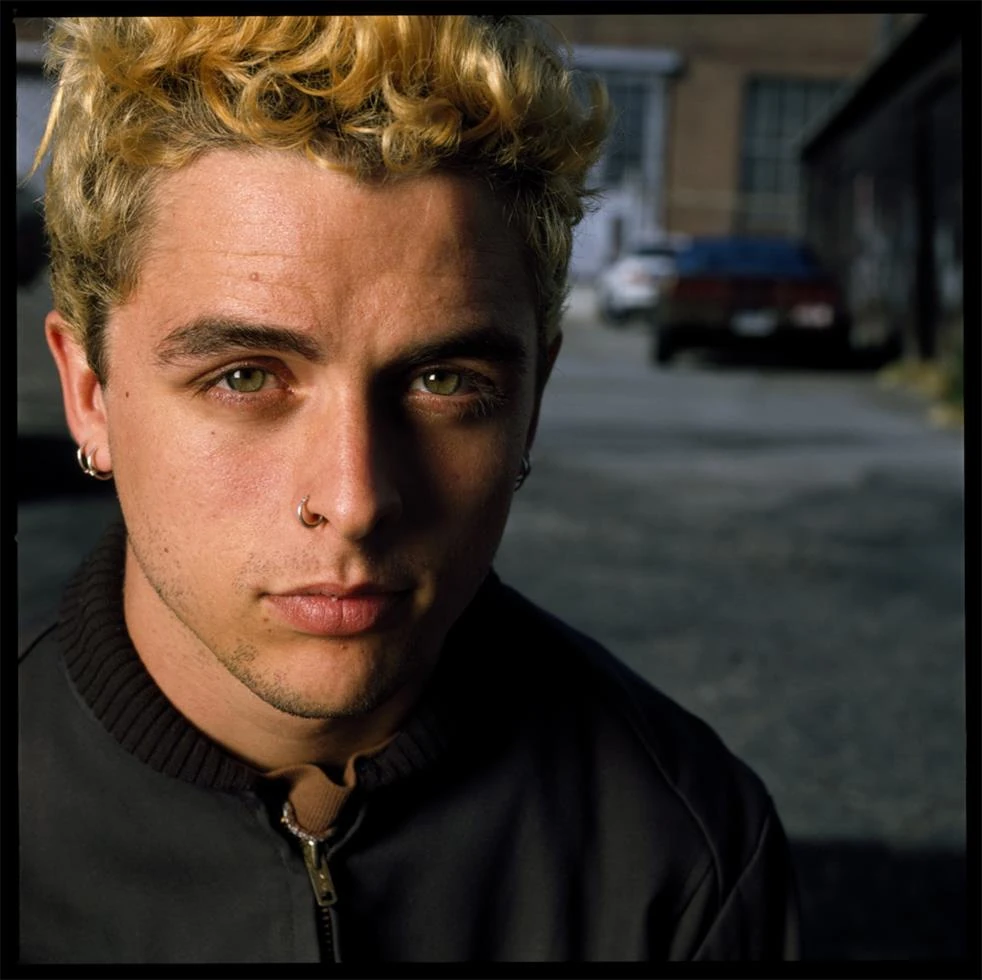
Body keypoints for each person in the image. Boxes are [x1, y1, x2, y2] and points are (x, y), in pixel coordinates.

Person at [19, 15, 800, 963]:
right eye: (245, 377)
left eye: (443, 381)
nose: (354, 501)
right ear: (89, 394)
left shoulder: (688, 853)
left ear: (533, 403)